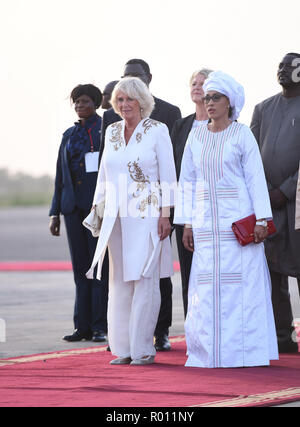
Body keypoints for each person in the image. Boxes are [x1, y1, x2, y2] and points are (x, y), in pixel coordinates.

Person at [174, 71, 278, 368]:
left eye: (216, 97)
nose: (209, 103)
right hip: (205, 225)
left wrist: (262, 219)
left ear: (230, 102)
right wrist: (187, 223)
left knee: (241, 286)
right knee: (206, 288)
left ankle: (244, 352)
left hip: (238, 225)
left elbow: (256, 179)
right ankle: (208, 353)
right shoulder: (196, 135)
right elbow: (188, 182)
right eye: (207, 97)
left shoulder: (242, 134)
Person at [85, 77, 177, 365]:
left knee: (145, 280)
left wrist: (166, 214)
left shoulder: (157, 130)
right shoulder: (111, 131)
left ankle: (142, 349)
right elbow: (103, 173)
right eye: (120, 100)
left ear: (142, 101)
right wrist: (96, 209)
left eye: (130, 99)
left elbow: (168, 175)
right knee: (119, 281)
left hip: (147, 214)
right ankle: (122, 349)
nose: (124, 105)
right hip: (115, 216)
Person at [49, 84, 108, 343]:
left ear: (95, 103)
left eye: (84, 101)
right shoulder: (69, 134)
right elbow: (60, 176)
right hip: (72, 208)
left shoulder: (105, 131)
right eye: (76, 102)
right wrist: (55, 213)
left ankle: (98, 326)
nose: (79, 106)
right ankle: (81, 326)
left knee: (97, 270)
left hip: (96, 209)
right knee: (79, 270)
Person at [251, 52, 300, 353]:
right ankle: (283, 336)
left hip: (297, 205)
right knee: (272, 273)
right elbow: (251, 154)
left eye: (290, 66)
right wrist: (265, 190)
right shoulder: (263, 108)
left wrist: (286, 189)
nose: (283, 70)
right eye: (280, 65)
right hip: (268, 204)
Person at [171, 68, 213, 318]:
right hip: (184, 209)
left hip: (213, 208)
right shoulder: (181, 125)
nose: (196, 87)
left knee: (210, 272)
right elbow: (174, 168)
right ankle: (192, 329)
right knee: (188, 273)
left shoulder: (225, 125)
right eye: (193, 83)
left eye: (202, 83)